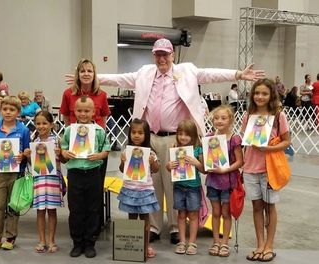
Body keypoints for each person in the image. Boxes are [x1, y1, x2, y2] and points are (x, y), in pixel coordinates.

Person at [72, 38, 264, 244]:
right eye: (158, 54)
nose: (161, 58)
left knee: (176, 183)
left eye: (165, 54)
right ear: (153, 56)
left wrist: (238, 74)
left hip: (177, 139)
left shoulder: (187, 70)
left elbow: (210, 74)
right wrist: (90, 78)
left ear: (172, 55)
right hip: (148, 138)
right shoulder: (144, 72)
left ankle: (174, 227)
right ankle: (153, 227)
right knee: (150, 184)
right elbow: (120, 79)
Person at [241, 78, 290, 262]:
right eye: (257, 93)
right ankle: (260, 244)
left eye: (264, 93)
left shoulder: (279, 116)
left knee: (270, 207)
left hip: (270, 169)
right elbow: (245, 141)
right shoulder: (248, 116)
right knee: (256, 206)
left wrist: (268, 149)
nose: (260, 96)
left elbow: (287, 141)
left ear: (271, 96)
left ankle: (269, 245)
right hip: (250, 168)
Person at [60, 58, 111, 228]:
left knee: (96, 190)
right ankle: (79, 230)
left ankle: (95, 228)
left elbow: (103, 121)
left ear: (94, 74)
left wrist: (98, 144)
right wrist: (72, 139)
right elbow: (67, 118)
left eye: (89, 71)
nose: (86, 74)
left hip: (95, 151)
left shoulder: (102, 95)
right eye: (83, 71)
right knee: (77, 193)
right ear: (78, 74)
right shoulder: (68, 94)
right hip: (76, 150)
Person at [61, 96, 110, 258]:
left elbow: (106, 150)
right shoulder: (69, 131)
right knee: (76, 209)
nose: (83, 114)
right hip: (75, 174)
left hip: (93, 174)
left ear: (94, 112)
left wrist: (99, 155)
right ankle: (77, 243)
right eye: (79, 110)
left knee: (93, 209)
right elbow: (63, 149)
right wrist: (65, 152)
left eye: (87, 111)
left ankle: (90, 243)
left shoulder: (100, 131)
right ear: (74, 111)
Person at [0, 96, 30, 250]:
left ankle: (10, 236)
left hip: (16, 174)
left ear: (18, 112)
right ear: (0, 110)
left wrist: (23, 155)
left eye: (12, 110)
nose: (8, 112)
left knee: (13, 206)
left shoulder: (23, 130)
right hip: (0, 173)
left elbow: (27, 149)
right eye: (5, 109)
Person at [117, 118, 160, 258]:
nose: (136, 135)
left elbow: (156, 169)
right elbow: (122, 170)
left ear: (146, 135)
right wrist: (123, 161)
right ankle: (134, 245)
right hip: (130, 190)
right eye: (134, 132)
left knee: (145, 219)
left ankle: (146, 245)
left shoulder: (151, 153)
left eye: (140, 133)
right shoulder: (126, 151)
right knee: (132, 219)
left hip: (145, 191)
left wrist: (152, 162)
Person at [24, 111, 66, 253]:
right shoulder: (34, 142)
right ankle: (42, 240)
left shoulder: (57, 140)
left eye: (44, 123)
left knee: (52, 211)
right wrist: (28, 157)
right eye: (38, 123)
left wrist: (60, 154)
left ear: (51, 124)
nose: (41, 126)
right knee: (40, 211)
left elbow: (64, 160)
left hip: (54, 180)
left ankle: (52, 240)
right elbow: (33, 164)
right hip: (39, 180)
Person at [205, 105, 243, 257]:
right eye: (216, 118)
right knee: (215, 213)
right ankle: (215, 242)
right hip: (213, 181)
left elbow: (240, 161)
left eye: (223, 118)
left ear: (231, 120)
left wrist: (225, 169)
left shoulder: (234, 138)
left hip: (228, 182)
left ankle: (225, 243)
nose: (219, 121)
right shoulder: (209, 137)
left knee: (226, 213)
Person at [166, 119, 204, 255]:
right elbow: (169, 167)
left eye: (187, 134)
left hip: (193, 187)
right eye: (180, 134)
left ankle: (192, 242)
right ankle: (182, 241)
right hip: (178, 187)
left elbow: (204, 169)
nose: (183, 137)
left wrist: (197, 163)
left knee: (193, 214)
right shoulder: (174, 148)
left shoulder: (198, 149)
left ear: (193, 136)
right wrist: (168, 166)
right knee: (181, 214)